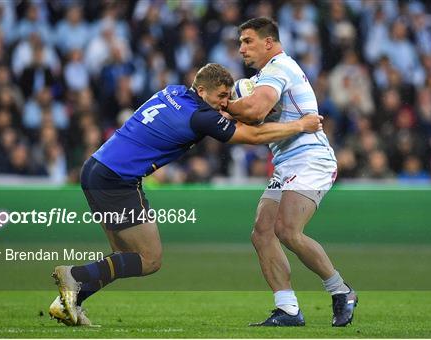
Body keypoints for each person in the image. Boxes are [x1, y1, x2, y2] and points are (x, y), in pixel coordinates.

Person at [49, 63, 324, 326]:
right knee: (149, 259)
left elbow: (210, 118)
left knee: (123, 255)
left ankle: (69, 301)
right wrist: (300, 125)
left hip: (96, 169)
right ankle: (75, 275)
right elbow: (251, 136)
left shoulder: (173, 91)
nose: (225, 103)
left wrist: (228, 111)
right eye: (221, 96)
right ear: (203, 92)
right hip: (116, 179)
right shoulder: (201, 116)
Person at [226, 18, 357, 327]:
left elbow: (257, 111)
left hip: (312, 159)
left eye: (247, 41)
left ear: (268, 42)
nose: (241, 48)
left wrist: (222, 105)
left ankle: (341, 291)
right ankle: (288, 309)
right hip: (287, 163)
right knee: (262, 232)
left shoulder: (278, 69)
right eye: (240, 43)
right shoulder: (263, 76)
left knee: (287, 229)